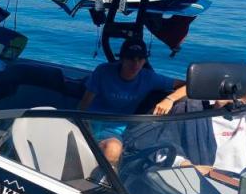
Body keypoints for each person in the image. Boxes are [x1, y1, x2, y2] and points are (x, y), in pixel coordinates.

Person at [78, 37, 186, 166]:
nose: (135, 64)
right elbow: (84, 104)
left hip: (121, 128)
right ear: (122, 59)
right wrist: (82, 125)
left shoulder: (148, 78)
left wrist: (170, 99)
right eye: (131, 59)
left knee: (116, 149)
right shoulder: (103, 71)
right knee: (110, 148)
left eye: (140, 59)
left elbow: (188, 85)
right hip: (93, 121)